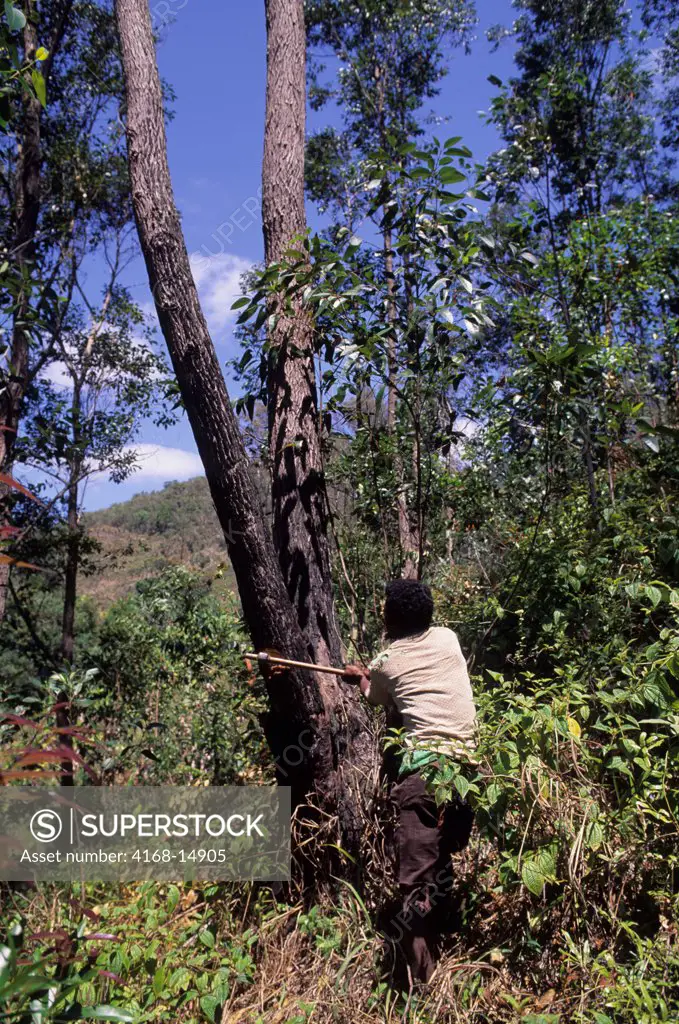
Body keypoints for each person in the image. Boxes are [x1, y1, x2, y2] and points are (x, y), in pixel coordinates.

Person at [342, 579, 477, 984]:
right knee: (441, 862)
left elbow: (376, 696)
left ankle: (419, 986)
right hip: (467, 774)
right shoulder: (449, 638)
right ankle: (449, 938)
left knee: (416, 883)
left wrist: (361, 677)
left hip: (424, 775)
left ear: (391, 618)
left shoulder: (386, 660)